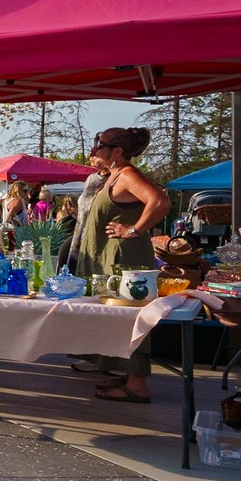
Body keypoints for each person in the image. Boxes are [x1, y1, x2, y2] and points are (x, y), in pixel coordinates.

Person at [84, 128, 170, 403]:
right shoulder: (116, 175)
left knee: (133, 318)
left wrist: (133, 229)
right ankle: (128, 375)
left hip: (127, 262)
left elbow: (160, 201)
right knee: (119, 319)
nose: (95, 150)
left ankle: (138, 384)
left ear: (118, 151)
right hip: (116, 260)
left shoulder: (129, 175)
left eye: (100, 145)